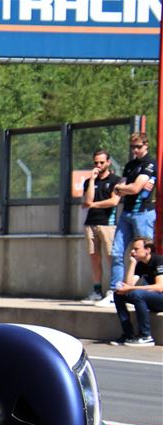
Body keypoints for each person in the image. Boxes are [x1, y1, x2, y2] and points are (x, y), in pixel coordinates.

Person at [100, 132, 157, 307]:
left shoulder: (150, 163)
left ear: (146, 145)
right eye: (133, 147)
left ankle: (150, 292)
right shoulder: (130, 165)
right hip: (127, 212)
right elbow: (121, 189)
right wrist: (124, 187)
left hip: (143, 213)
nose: (135, 150)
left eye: (138, 146)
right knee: (116, 252)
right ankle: (115, 291)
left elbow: (134, 188)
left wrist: (123, 188)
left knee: (146, 254)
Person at [80, 149, 120, 303]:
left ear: (108, 162)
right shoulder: (89, 181)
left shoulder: (116, 180)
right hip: (90, 223)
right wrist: (91, 180)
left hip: (107, 224)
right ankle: (97, 290)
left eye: (101, 162)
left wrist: (93, 204)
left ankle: (113, 289)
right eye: (96, 162)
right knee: (94, 257)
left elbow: (113, 201)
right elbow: (87, 199)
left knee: (111, 256)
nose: (98, 165)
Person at [109, 238, 163, 347]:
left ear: (147, 250)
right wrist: (132, 264)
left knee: (137, 294)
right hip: (154, 298)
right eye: (132, 249)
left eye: (136, 249)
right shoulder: (141, 264)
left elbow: (159, 287)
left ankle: (146, 336)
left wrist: (130, 289)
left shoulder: (159, 260)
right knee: (119, 294)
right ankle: (128, 334)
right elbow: (129, 285)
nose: (132, 252)